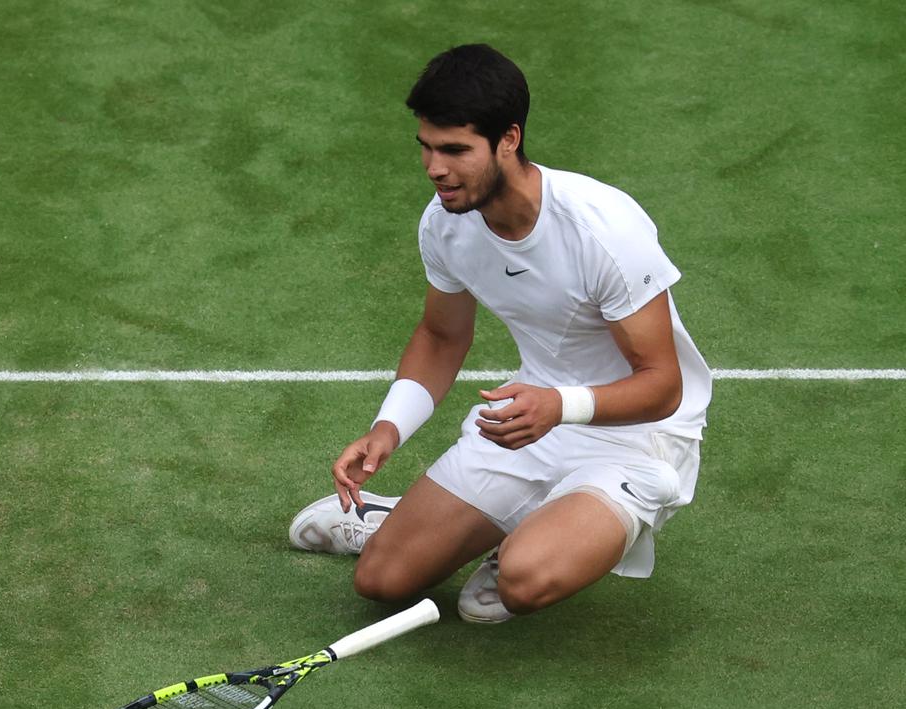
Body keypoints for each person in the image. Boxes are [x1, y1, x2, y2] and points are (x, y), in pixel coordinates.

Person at [289, 43, 712, 624]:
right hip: (528, 422)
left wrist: (559, 405)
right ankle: (401, 517)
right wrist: (387, 429)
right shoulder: (446, 224)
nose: (436, 168)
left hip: (637, 436)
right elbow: (442, 337)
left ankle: (527, 539)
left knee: (517, 583)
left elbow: (664, 386)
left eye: (456, 150)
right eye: (428, 148)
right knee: (382, 581)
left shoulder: (602, 228)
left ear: (508, 140)